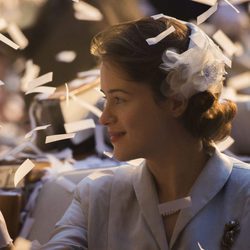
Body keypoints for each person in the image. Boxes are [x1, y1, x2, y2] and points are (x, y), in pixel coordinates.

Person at [35, 15, 250, 249]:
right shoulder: (97, 197)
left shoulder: (244, 195)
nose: (104, 117)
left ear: (176, 102)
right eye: (106, 99)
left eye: (119, 99)